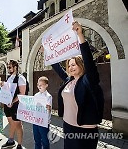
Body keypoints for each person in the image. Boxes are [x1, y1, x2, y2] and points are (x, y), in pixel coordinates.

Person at [52, 21, 103, 149]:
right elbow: (58, 69)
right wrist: (48, 54)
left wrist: (80, 35)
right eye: (69, 65)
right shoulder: (69, 80)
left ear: (81, 65)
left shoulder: (88, 79)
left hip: (84, 129)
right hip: (68, 126)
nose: (70, 67)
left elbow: (89, 61)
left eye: (73, 64)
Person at [2, 60, 26, 149]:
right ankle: (11, 141)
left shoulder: (20, 78)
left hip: (16, 106)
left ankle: (19, 145)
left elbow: (22, 93)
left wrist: (12, 102)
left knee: (18, 125)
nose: (8, 69)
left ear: (15, 67)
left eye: (9, 67)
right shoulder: (8, 78)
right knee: (11, 123)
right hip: (7, 105)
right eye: (7, 67)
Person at [33, 76, 52, 149]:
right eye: (38, 85)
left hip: (44, 122)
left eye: (41, 85)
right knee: (36, 139)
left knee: (45, 140)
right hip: (36, 121)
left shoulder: (48, 96)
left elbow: (49, 109)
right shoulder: (36, 95)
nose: (39, 86)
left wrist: (49, 108)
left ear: (46, 85)